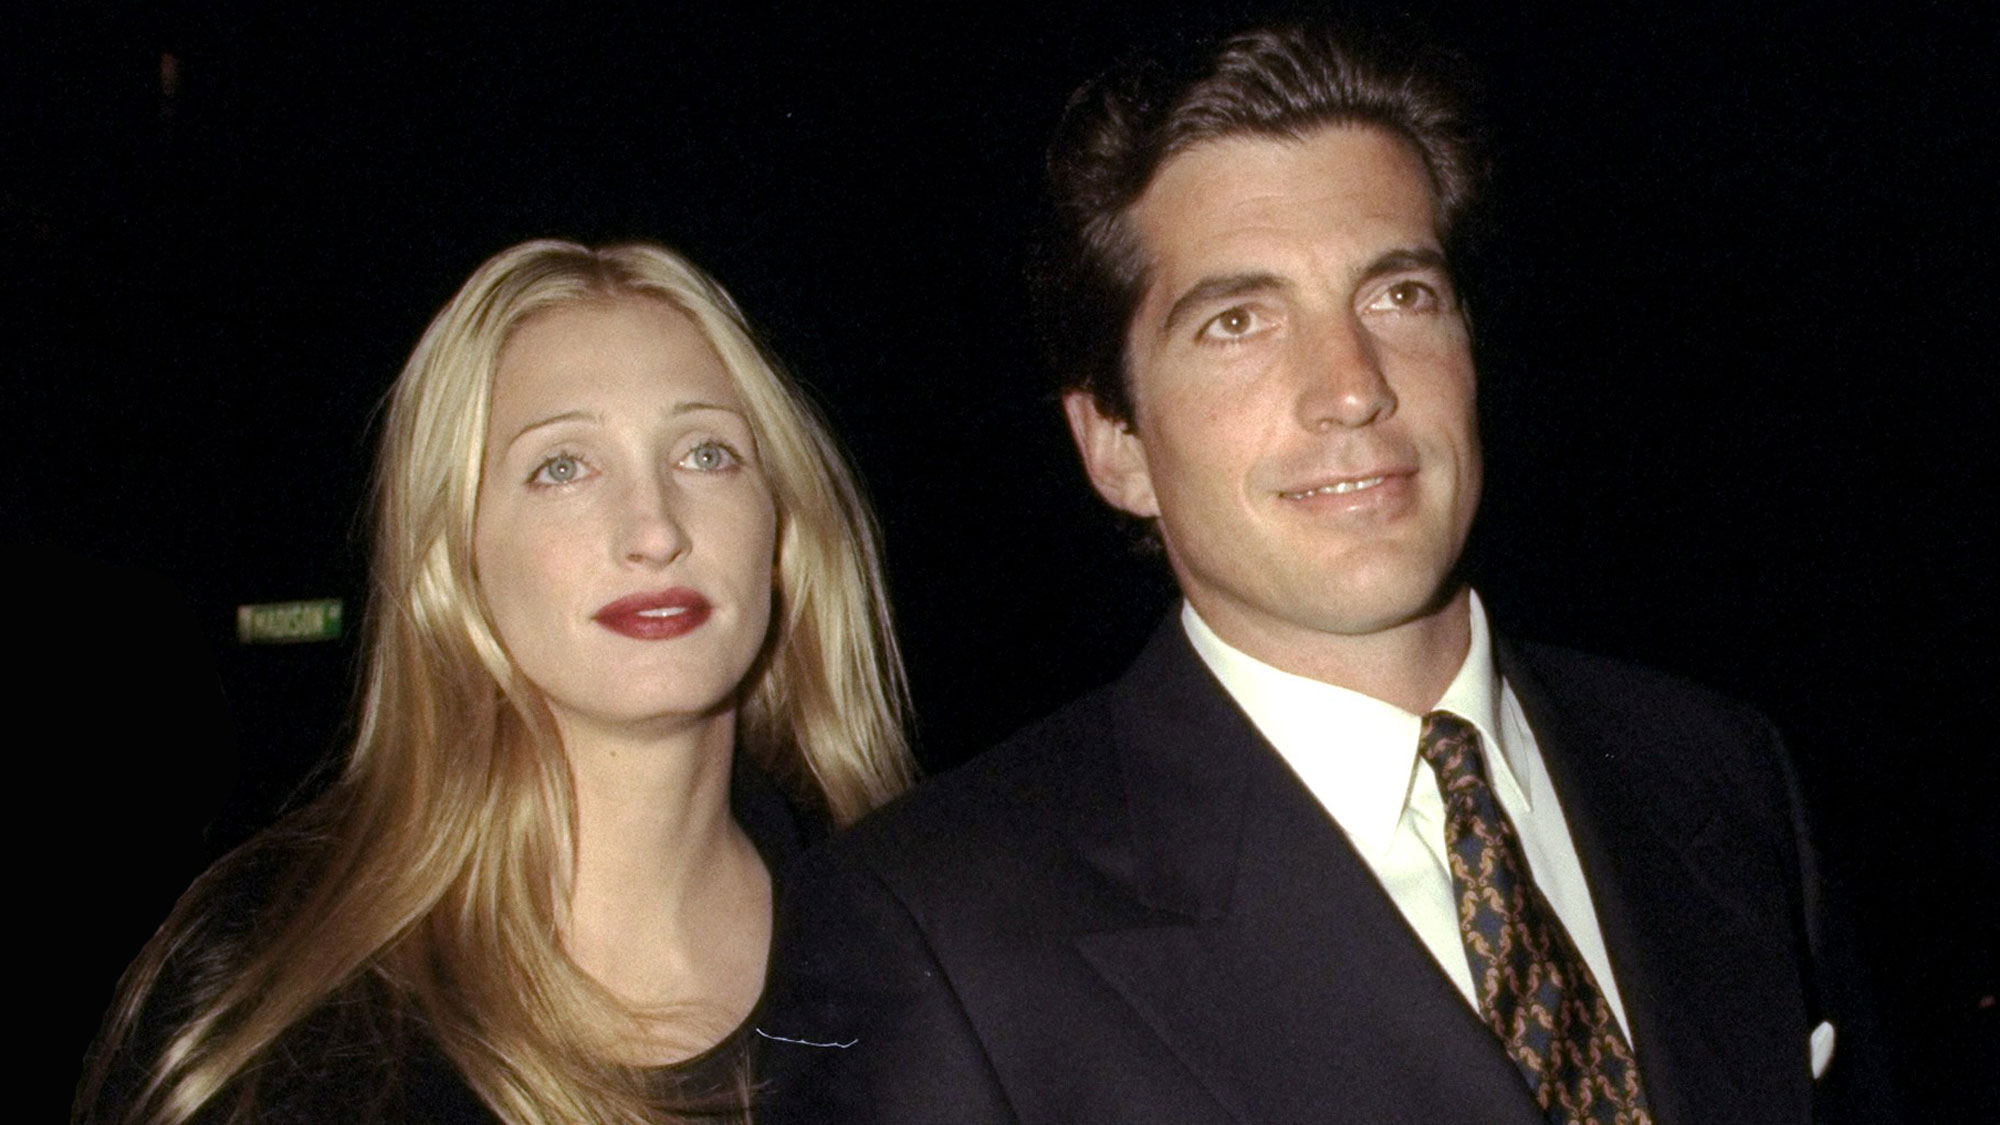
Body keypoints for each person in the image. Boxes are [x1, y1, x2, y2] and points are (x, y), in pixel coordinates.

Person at [757, 23, 1884, 1124]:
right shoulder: (928, 930)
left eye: (1399, 296)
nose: (1350, 386)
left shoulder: (1716, 774)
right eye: (1237, 322)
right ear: (1116, 446)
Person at [74, 239, 915, 1125]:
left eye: (707, 453)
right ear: (455, 558)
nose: (655, 528)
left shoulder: (913, 940)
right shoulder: (280, 992)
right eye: (562, 466)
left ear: (782, 526)